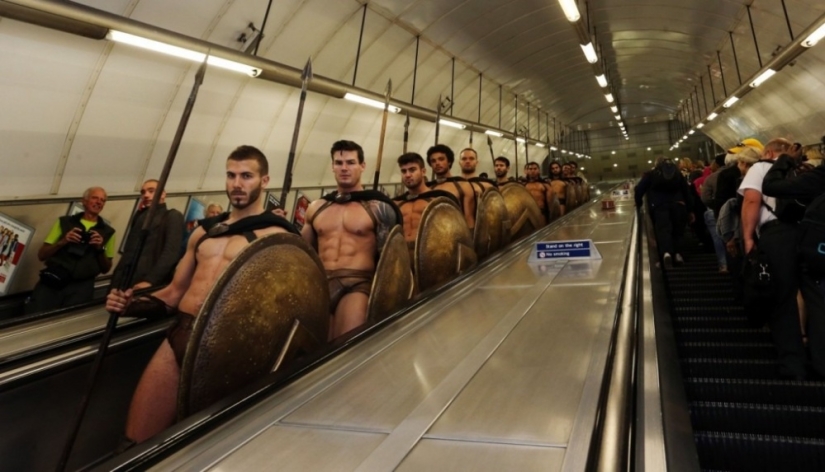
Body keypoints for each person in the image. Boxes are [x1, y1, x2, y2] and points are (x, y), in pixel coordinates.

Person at [106, 145, 299, 445]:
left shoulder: (277, 237)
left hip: (230, 343)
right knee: (135, 439)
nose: (237, 183)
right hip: (181, 332)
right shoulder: (204, 232)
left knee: (210, 442)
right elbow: (173, 294)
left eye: (247, 176)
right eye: (231, 175)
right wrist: (130, 305)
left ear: (264, 181)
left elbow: (286, 312)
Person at [302, 140, 401, 340]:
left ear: (362, 166)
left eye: (351, 162)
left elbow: (391, 261)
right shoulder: (316, 207)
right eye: (339, 163)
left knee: (347, 345)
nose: (344, 168)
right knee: (316, 351)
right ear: (332, 166)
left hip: (357, 284)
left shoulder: (378, 207)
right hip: (321, 285)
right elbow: (302, 253)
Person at [738, 138, 809, 380]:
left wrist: (748, 238)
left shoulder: (761, 167)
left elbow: (751, 200)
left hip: (778, 236)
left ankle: (793, 365)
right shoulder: (804, 170)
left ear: (768, 152)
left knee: (783, 298)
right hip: (811, 235)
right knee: (815, 294)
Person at [26, 187, 115, 313]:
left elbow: (106, 269)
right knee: (36, 317)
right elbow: (42, 255)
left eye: (103, 200)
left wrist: (99, 248)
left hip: (81, 288)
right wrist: (63, 241)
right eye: (95, 198)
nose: (99, 202)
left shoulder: (108, 232)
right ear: (84, 201)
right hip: (53, 282)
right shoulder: (64, 222)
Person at [110, 179, 184, 291]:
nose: (146, 195)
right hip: (123, 281)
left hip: (146, 282)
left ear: (163, 194)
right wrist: (115, 282)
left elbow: (171, 252)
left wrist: (151, 280)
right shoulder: (140, 216)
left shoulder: (172, 216)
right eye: (143, 192)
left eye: (151, 191)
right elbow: (129, 251)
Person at [394, 152, 459, 258]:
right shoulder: (396, 203)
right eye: (403, 171)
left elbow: (454, 234)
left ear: (423, 171)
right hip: (402, 258)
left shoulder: (438, 200)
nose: (408, 175)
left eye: (412, 170)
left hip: (433, 256)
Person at [634, 157, 694, 268]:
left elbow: (639, 190)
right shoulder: (677, 174)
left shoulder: (651, 174)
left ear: (656, 165)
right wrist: (690, 210)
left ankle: (666, 253)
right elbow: (686, 192)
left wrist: (638, 204)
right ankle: (678, 254)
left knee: (663, 229)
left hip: (659, 206)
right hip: (679, 205)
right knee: (678, 231)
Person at [427, 144, 478, 230]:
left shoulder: (463, 185)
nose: (437, 163)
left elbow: (469, 217)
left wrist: (470, 240)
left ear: (449, 161)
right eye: (433, 161)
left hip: (458, 232)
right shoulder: (428, 188)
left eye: (441, 159)